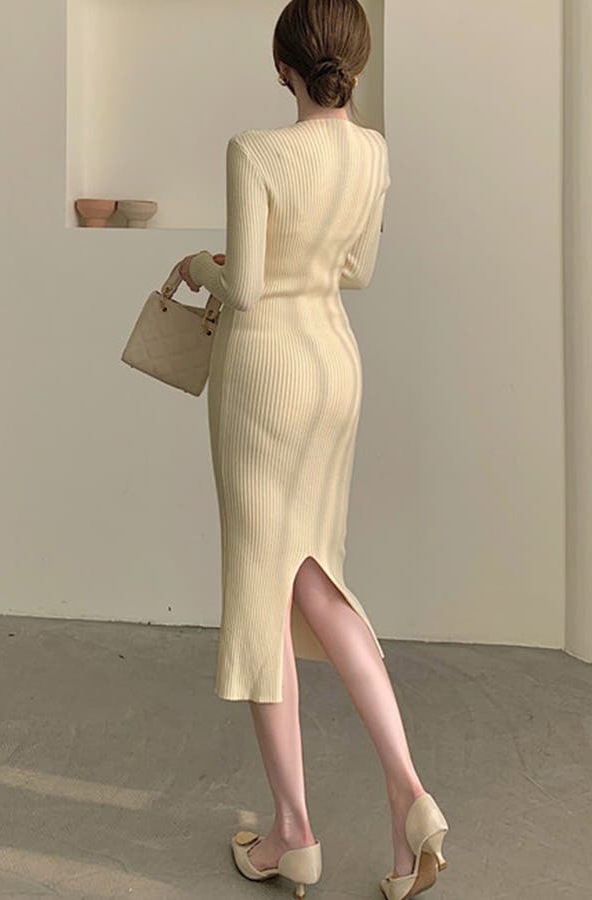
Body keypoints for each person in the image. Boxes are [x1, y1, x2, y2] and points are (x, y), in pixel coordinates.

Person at [175, 2, 449, 897]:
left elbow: (248, 289)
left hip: (265, 377)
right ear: (353, 65)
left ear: (282, 65)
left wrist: (199, 267)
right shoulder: (372, 152)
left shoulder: (255, 152)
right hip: (334, 365)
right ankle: (409, 796)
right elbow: (357, 270)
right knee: (315, 576)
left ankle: (293, 836)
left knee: (264, 594)